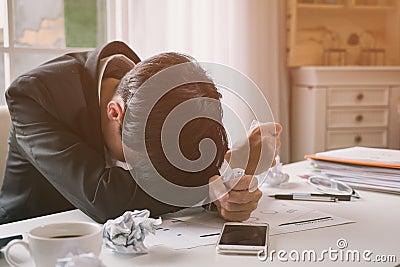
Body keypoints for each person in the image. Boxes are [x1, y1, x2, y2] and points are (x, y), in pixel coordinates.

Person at [0, 41, 281, 224]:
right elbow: (106, 198)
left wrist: (225, 189)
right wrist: (218, 173)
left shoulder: (161, 89)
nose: (153, 176)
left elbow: (176, 172)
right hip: (29, 237)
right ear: (115, 113)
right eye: (144, 164)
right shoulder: (33, 95)